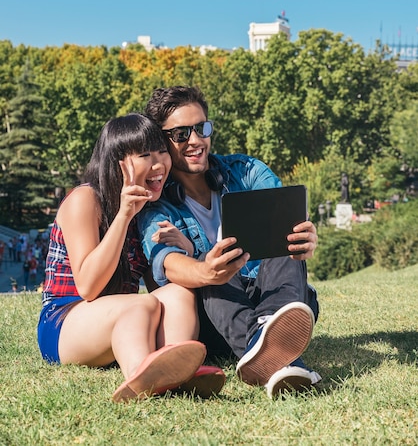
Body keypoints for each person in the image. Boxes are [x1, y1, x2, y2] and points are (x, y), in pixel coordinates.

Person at [139, 86, 321, 398]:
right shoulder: (156, 203)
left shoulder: (246, 171)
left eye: (201, 128)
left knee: (283, 236)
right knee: (208, 270)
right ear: (161, 142)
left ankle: (263, 339)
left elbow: (290, 213)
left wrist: (305, 236)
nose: (196, 141)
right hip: (215, 314)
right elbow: (167, 262)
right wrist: (205, 267)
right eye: (181, 134)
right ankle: (269, 350)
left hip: (276, 297)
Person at [37, 113, 225, 402]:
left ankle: (178, 366)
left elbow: (158, 288)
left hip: (120, 322)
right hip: (65, 323)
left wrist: (186, 250)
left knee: (177, 293)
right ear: (119, 163)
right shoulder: (85, 201)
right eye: (145, 155)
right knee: (140, 306)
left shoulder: (150, 210)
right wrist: (124, 215)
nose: (159, 163)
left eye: (162, 151)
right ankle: (141, 375)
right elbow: (88, 287)